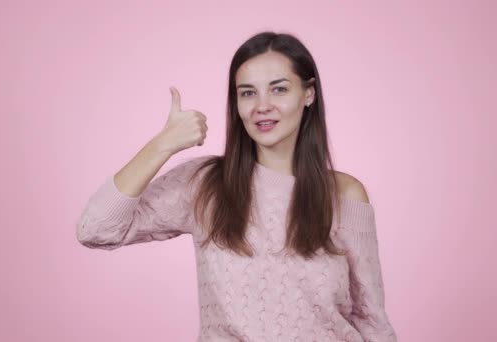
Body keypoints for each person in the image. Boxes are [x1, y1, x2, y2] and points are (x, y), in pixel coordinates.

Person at [76, 31, 398, 341]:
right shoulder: (204, 185)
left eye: (279, 89)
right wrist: (162, 145)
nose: (262, 106)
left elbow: (371, 320)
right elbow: (96, 228)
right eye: (248, 92)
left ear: (308, 94)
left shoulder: (344, 195)